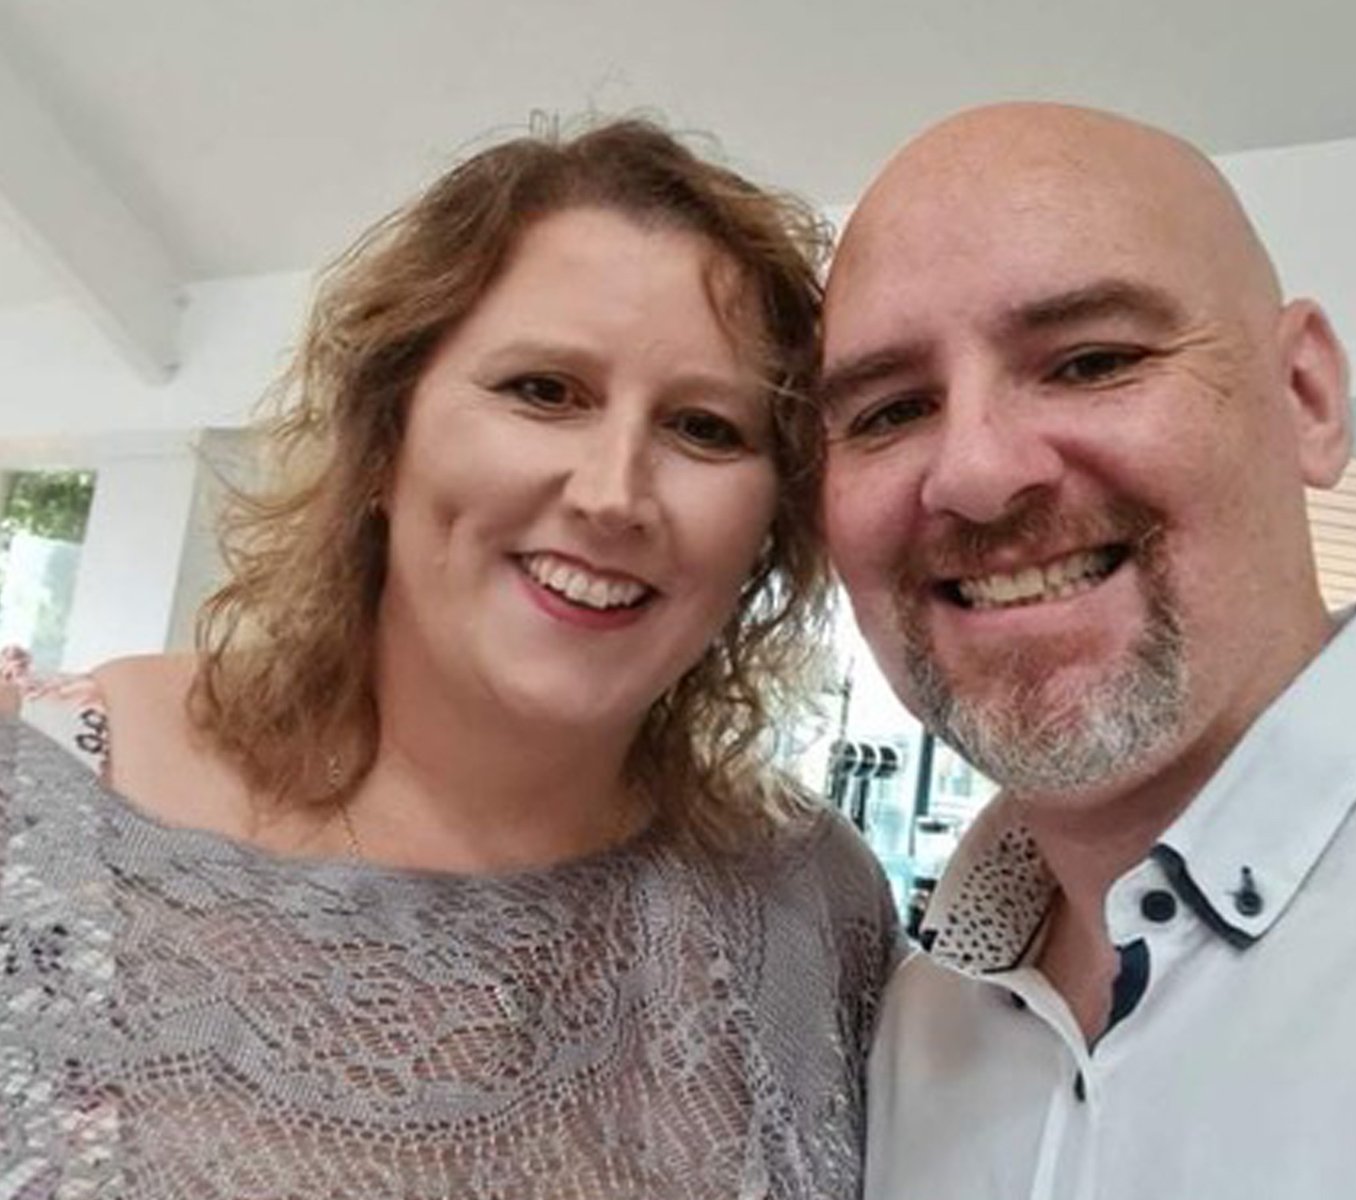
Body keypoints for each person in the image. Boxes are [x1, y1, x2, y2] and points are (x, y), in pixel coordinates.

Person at [0, 117, 899, 1199]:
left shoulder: (814, 906)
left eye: (705, 428)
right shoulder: (39, 812)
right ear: (385, 438)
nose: (614, 494)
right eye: (544, 391)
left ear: (770, 524)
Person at [818, 103, 1356, 1199]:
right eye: (890, 411)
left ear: (1306, 398)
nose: (978, 475)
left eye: (1092, 360)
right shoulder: (915, 1019)